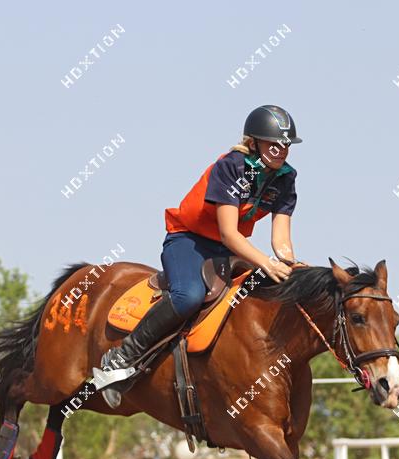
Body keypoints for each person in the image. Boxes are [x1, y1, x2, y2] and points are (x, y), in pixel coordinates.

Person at [94, 105, 303, 407]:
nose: (281, 150)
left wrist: (289, 265)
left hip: (230, 249)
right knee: (188, 296)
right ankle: (121, 358)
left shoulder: (286, 177)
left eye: (286, 145)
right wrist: (266, 262)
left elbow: (281, 239)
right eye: (274, 144)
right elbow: (229, 233)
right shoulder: (232, 167)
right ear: (254, 142)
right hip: (189, 240)